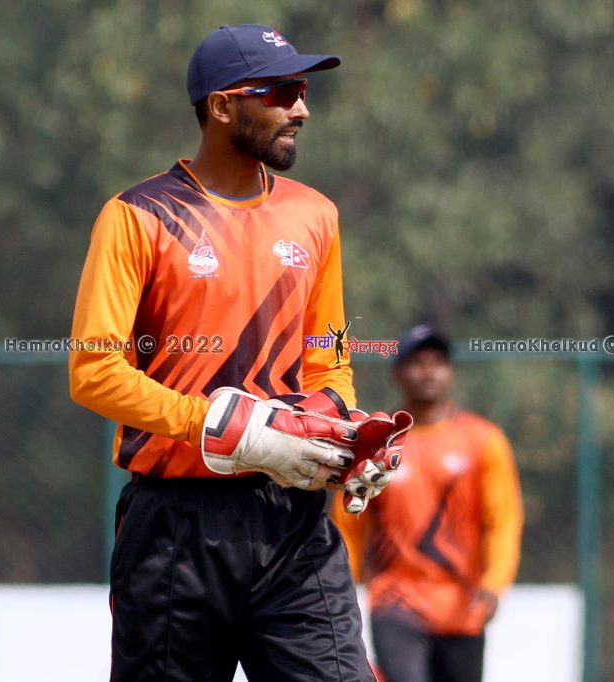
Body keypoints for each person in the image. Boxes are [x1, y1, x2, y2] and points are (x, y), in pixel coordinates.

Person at [69, 24, 397, 681]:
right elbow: (94, 370)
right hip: (175, 529)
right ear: (222, 106)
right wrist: (228, 430)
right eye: (280, 92)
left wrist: (342, 434)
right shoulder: (136, 216)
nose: (300, 109)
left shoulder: (316, 214)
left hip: (293, 522)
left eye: (302, 91)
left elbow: (328, 356)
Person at [332, 325, 524, 682]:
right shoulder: (378, 443)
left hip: (463, 608)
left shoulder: (483, 440)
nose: (429, 371)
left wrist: (494, 584)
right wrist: (339, 593)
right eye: (418, 363)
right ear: (396, 374)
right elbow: (348, 524)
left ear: (450, 372)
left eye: (438, 362)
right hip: (396, 605)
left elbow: (502, 522)